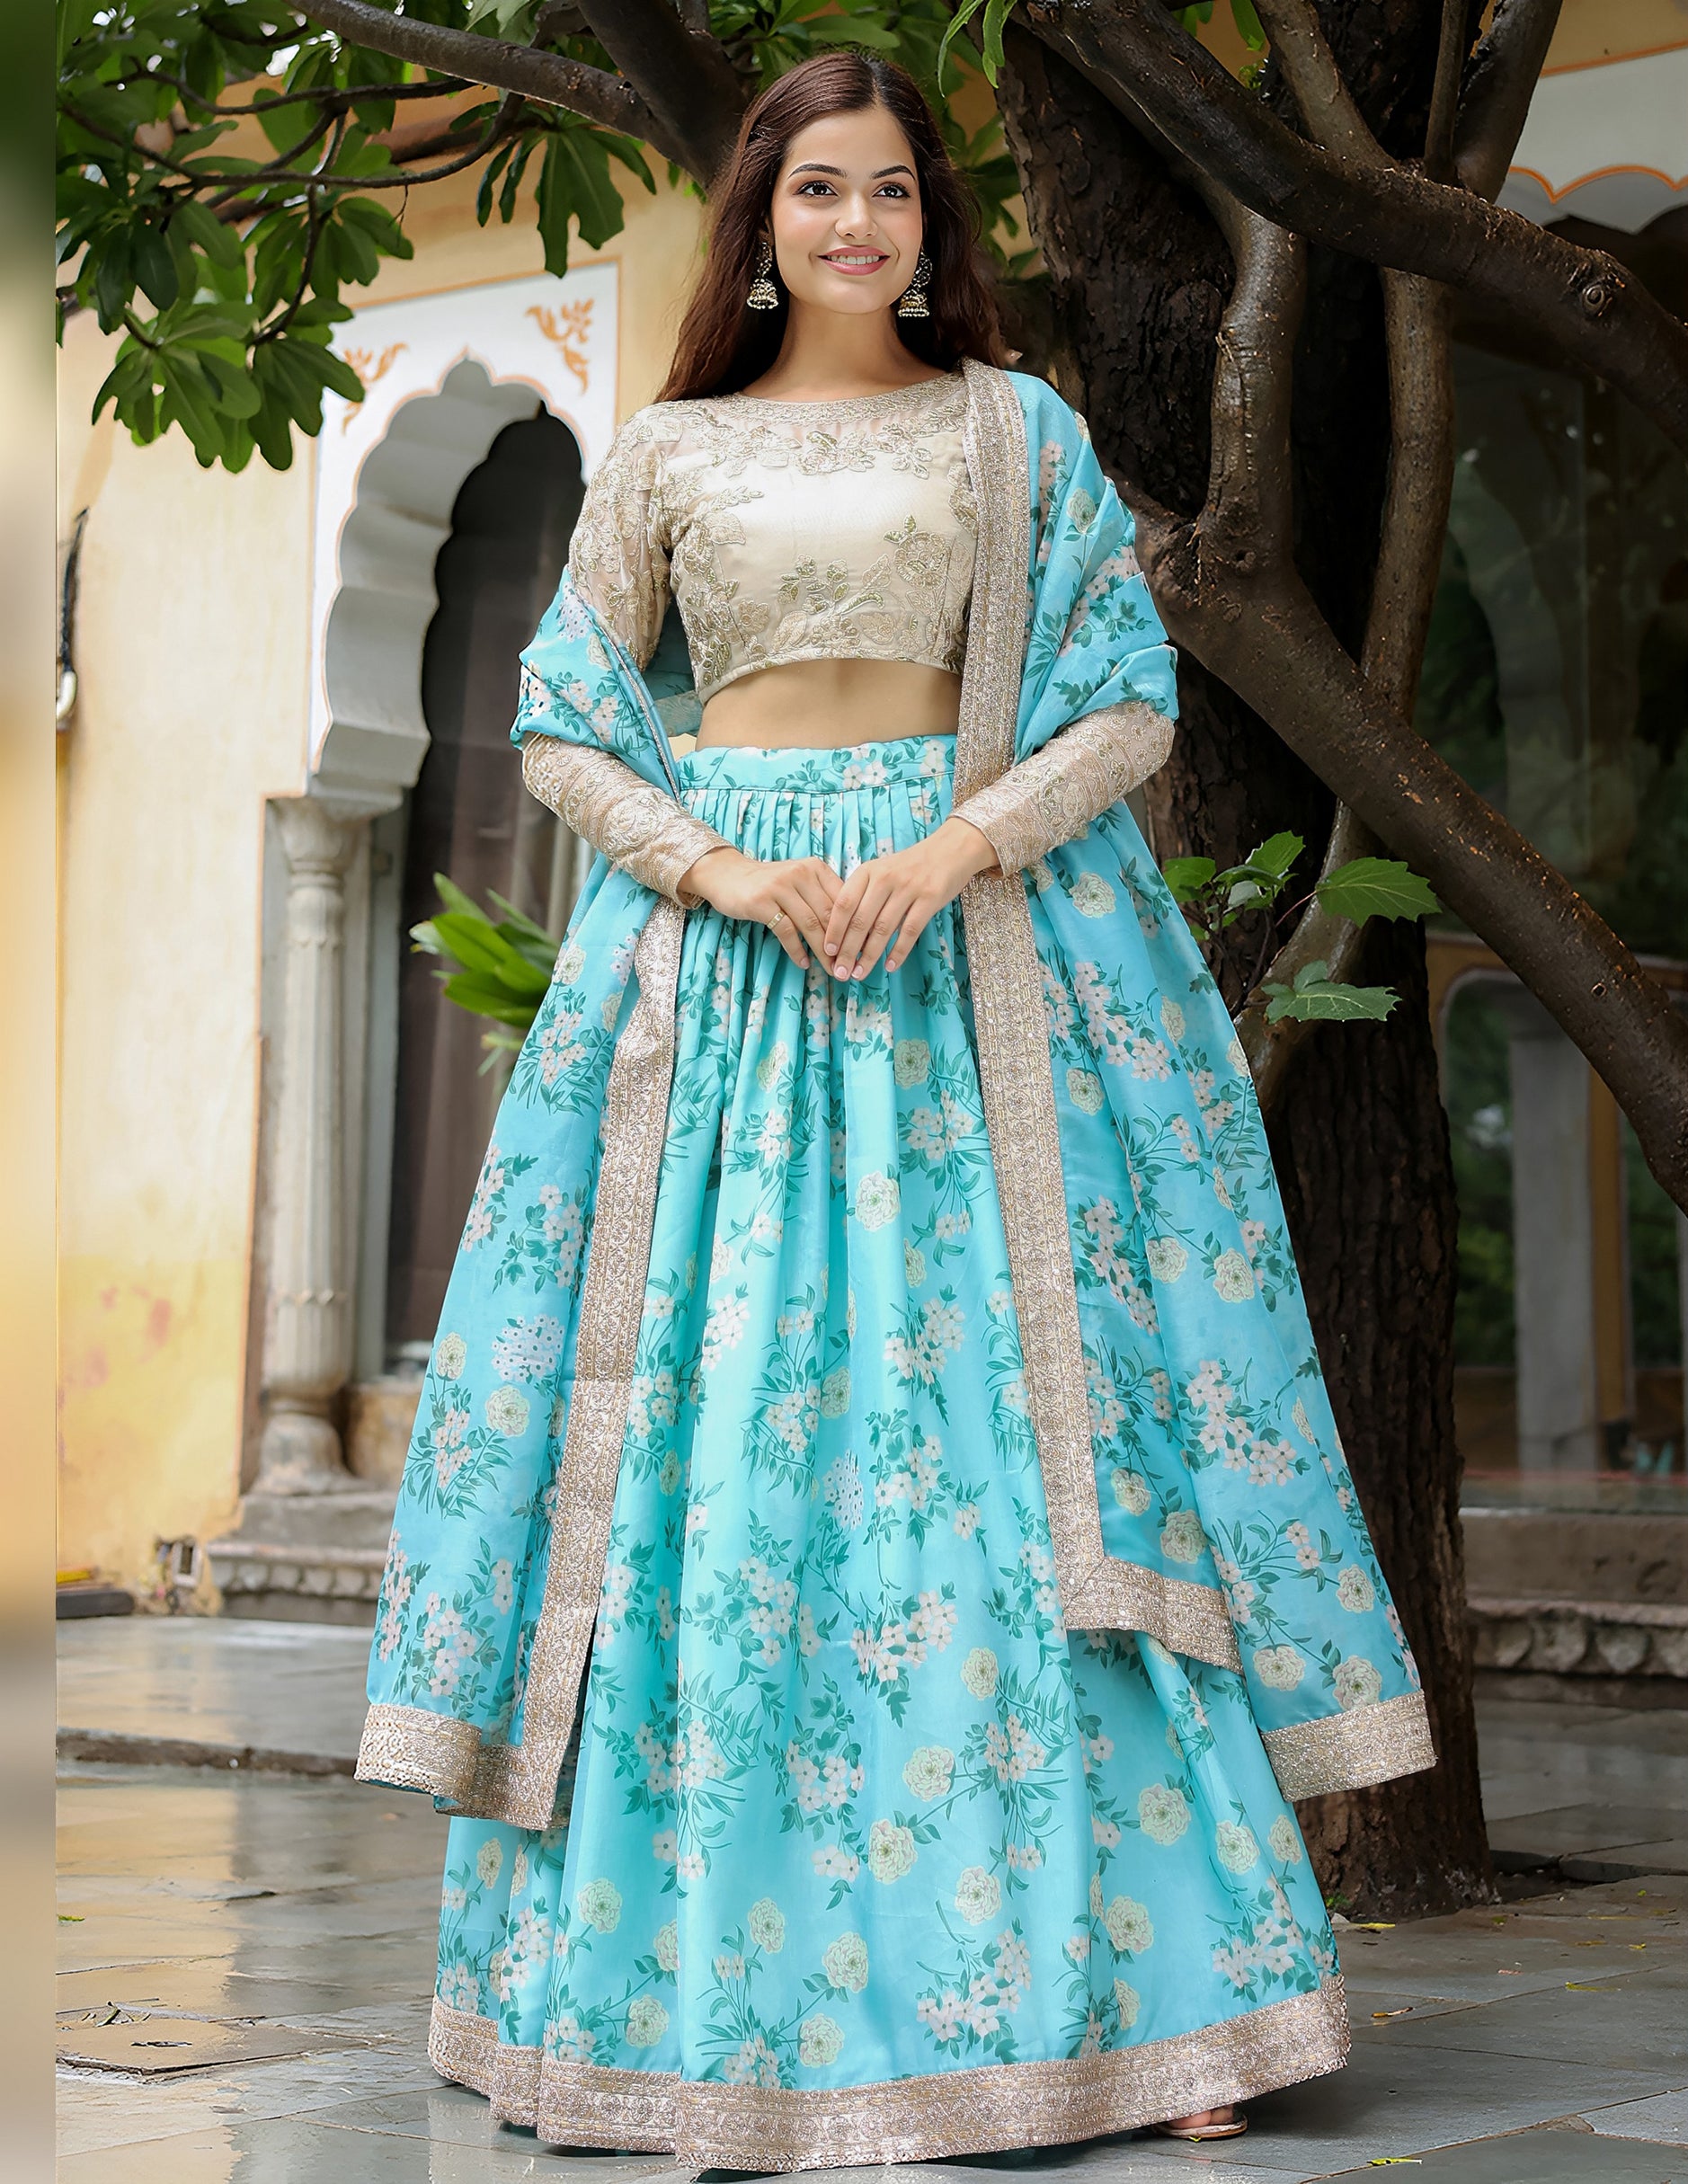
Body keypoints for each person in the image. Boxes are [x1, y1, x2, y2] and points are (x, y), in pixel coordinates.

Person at [357, 49, 1435, 2169]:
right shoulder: (663, 456)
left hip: (977, 966)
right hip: (735, 980)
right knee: (728, 1461)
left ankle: (1151, 2011)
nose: (859, 227)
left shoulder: (1012, 432)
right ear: (758, 216)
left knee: (1031, 1467)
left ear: (931, 222)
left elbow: (1121, 696)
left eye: (891, 194)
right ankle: (688, 2012)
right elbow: (569, 727)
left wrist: (951, 854)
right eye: (818, 192)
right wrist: (728, 870)